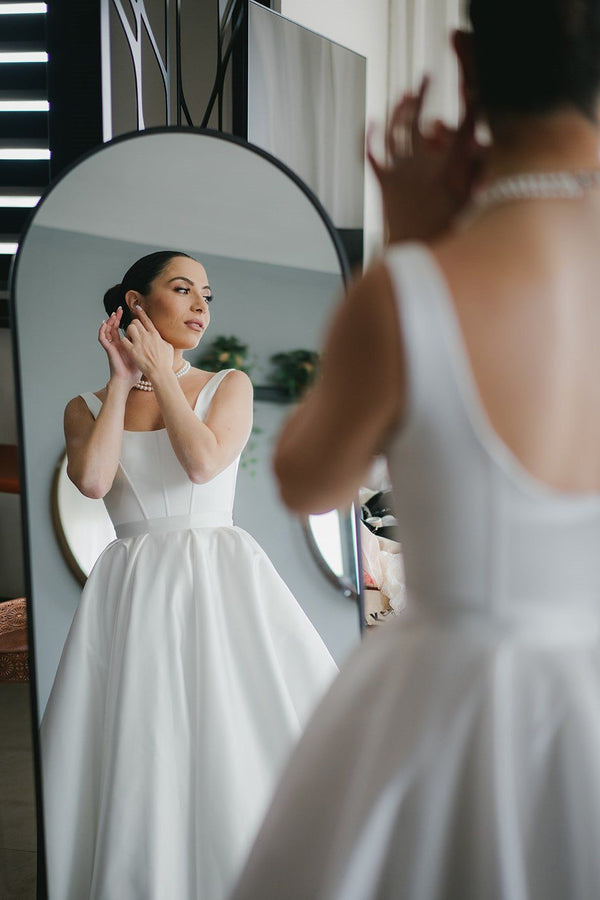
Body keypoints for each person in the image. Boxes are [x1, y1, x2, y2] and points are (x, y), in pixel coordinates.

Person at [231, 1, 600, 897]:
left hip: (448, 716)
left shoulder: (410, 290)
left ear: (467, 65)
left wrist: (412, 246)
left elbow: (305, 480)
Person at [40, 250, 338, 900]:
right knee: (147, 746)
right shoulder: (84, 405)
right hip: (132, 588)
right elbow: (92, 481)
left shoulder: (228, 385)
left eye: (208, 293)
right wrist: (123, 379)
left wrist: (163, 374)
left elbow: (202, 464)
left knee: (234, 736)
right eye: (183, 289)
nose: (202, 306)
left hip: (219, 579)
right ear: (137, 305)